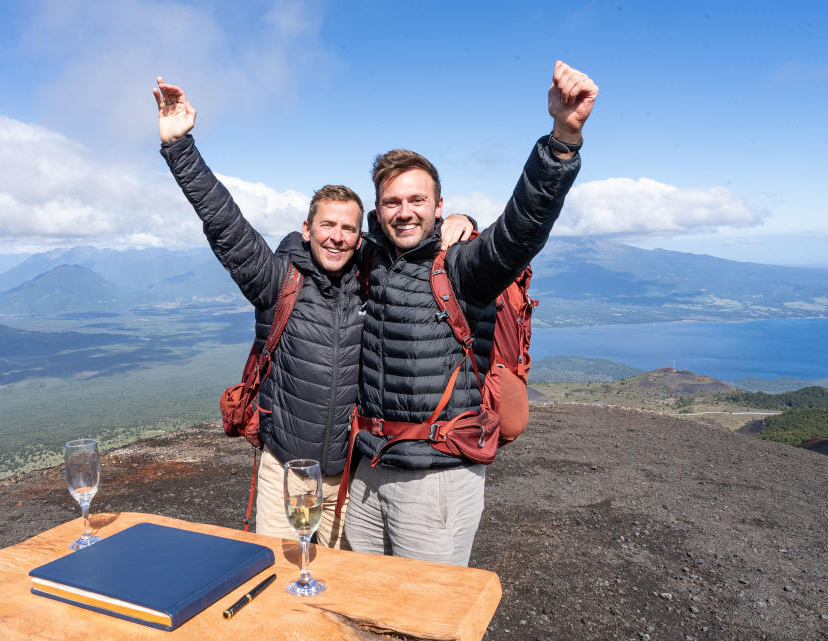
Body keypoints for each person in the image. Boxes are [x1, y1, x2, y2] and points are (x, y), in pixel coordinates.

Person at [153, 78, 472, 548]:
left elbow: (414, 236)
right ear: (307, 229)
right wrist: (180, 146)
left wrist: (460, 222)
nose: (337, 237)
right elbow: (225, 225)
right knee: (283, 585)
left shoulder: (375, 279)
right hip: (287, 469)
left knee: (339, 591)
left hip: (352, 478)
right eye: (327, 225)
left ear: (360, 235)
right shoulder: (278, 280)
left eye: (348, 228)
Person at [344, 60, 599, 566]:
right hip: (367, 474)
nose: (404, 210)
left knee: (432, 617)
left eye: (418, 199)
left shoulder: (462, 268)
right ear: (377, 213)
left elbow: (522, 228)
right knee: (366, 613)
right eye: (392, 202)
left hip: (437, 479)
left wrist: (562, 140)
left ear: (440, 207)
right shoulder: (367, 261)